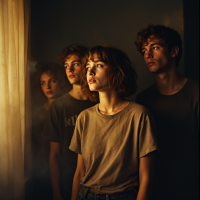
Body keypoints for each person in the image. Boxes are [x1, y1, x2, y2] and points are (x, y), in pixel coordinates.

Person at [69, 45, 159, 200]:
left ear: (118, 70)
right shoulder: (84, 117)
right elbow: (79, 172)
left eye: (98, 65)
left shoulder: (139, 115)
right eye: (88, 67)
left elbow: (146, 177)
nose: (90, 71)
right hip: (87, 195)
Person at [135, 24, 199, 200]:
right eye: (144, 50)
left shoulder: (196, 93)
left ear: (173, 51)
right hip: (155, 190)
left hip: (191, 190)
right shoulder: (143, 100)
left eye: (154, 47)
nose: (147, 54)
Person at [42, 45, 96, 200]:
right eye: (66, 66)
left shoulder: (99, 101)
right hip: (67, 181)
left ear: (86, 66)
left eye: (76, 64)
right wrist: (56, 191)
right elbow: (54, 154)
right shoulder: (58, 106)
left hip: (97, 181)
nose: (70, 70)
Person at [32, 63, 67, 200]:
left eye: (52, 81)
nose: (47, 87)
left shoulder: (69, 110)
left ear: (62, 82)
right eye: (43, 83)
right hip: (42, 173)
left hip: (69, 171)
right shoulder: (36, 114)